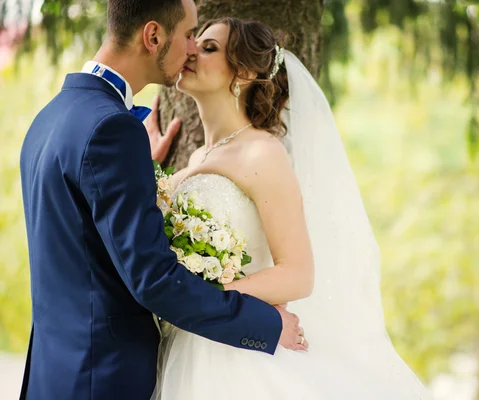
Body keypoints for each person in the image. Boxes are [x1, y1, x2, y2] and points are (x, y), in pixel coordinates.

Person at [18, 2, 305, 399]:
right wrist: (265, 325)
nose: (191, 49)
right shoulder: (112, 130)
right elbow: (154, 279)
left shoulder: (51, 117)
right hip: (101, 377)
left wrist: (143, 172)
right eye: (190, 36)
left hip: (56, 373)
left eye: (205, 45)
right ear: (153, 36)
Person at [153, 17, 431, 399]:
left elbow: (298, 275)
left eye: (210, 47)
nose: (191, 51)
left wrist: (207, 299)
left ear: (245, 72)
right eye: (195, 42)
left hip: (235, 352)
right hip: (190, 343)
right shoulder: (200, 154)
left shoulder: (262, 152)